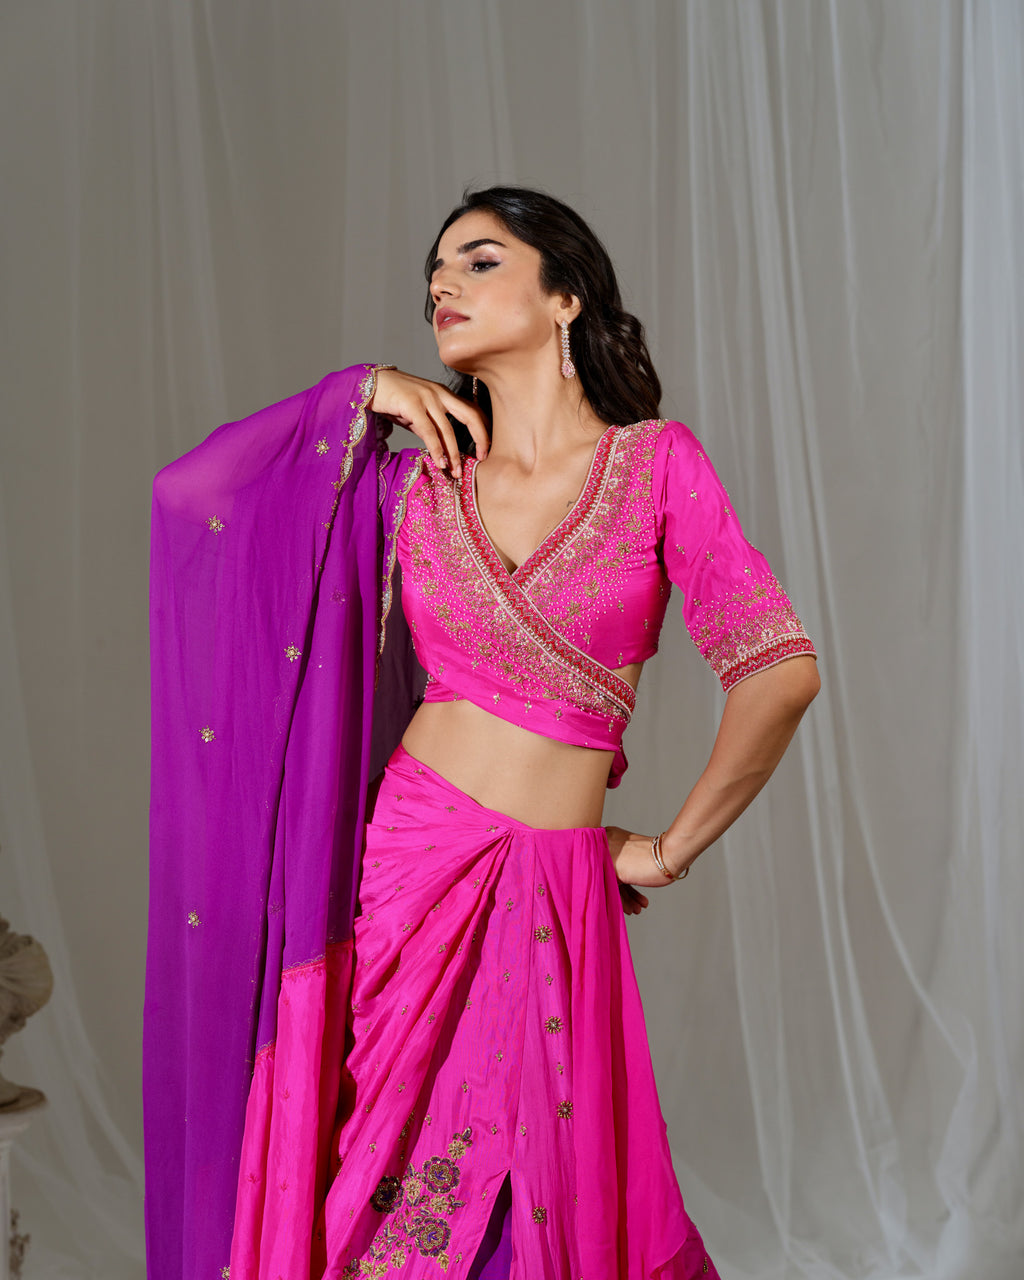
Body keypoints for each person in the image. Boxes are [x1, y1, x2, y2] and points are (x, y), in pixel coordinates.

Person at [145, 186, 818, 1280]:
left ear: (565, 296)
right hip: (406, 877)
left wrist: (666, 849)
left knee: (541, 1210)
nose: (441, 286)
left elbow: (779, 672)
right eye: (434, 275)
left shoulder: (655, 466)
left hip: (557, 890)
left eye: (479, 261)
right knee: (378, 1199)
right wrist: (357, 392)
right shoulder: (412, 480)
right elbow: (192, 493)